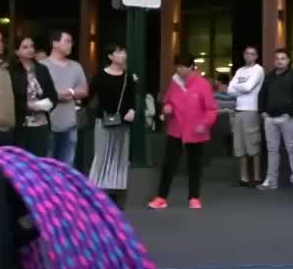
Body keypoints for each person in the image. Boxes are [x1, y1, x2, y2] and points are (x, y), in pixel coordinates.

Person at [149, 54, 217, 210]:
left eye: (183, 67)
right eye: (177, 66)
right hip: (176, 130)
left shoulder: (202, 84)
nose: (179, 70)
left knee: (195, 166)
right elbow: (168, 101)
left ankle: (194, 197)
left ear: (191, 67)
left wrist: (204, 124)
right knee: (168, 165)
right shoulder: (174, 83)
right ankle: (161, 197)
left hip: (196, 132)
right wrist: (168, 108)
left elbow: (211, 110)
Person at [89, 44, 139, 205]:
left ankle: (116, 190)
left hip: (123, 121)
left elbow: (132, 99)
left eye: (124, 51)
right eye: (119, 52)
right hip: (103, 120)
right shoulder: (99, 76)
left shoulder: (128, 76)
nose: (123, 55)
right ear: (110, 56)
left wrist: (132, 110)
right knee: (102, 154)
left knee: (120, 156)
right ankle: (97, 189)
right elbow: (89, 96)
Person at [257, 48, 293, 191]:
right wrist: (262, 111)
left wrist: (290, 112)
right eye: (277, 58)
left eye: (283, 58)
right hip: (270, 119)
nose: (279, 61)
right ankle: (271, 180)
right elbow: (261, 95)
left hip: (287, 118)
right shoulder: (269, 76)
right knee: (272, 150)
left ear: (288, 61)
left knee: (292, 149)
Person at [44, 30, 88, 166]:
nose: (71, 45)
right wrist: (56, 96)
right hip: (47, 124)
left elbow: (84, 90)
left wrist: (71, 92)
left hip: (69, 124)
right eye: (67, 41)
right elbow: (35, 93)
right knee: (47, 165)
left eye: (71, 42)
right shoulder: (42, 66)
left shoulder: (76, 66)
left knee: (67, 166)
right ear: (55, 44)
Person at [8, 36, 57, 156]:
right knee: (22, 162)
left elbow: (53, 96)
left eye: (31, 46)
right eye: (25, 47)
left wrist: (45, 105)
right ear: (16, 51)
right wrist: (27, 106)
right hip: (21, 125)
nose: (30, 49)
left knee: (40, 162)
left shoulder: (42, 69)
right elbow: (8, 98)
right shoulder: (11, 71)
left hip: (41, 124)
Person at [227, 46, 265, 186]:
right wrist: (239, 88)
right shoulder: (239, 70)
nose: (249, 56)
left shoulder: (258, 70)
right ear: (244, 55)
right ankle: (243, 177)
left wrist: (237, 87)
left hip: (252, 110)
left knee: (253, 145)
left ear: (256, 56)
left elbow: (248, 87)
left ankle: (256, 177)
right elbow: (229, 90)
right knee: (239, 146)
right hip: (238, 110)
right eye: (247, 53)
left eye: (252, 54)